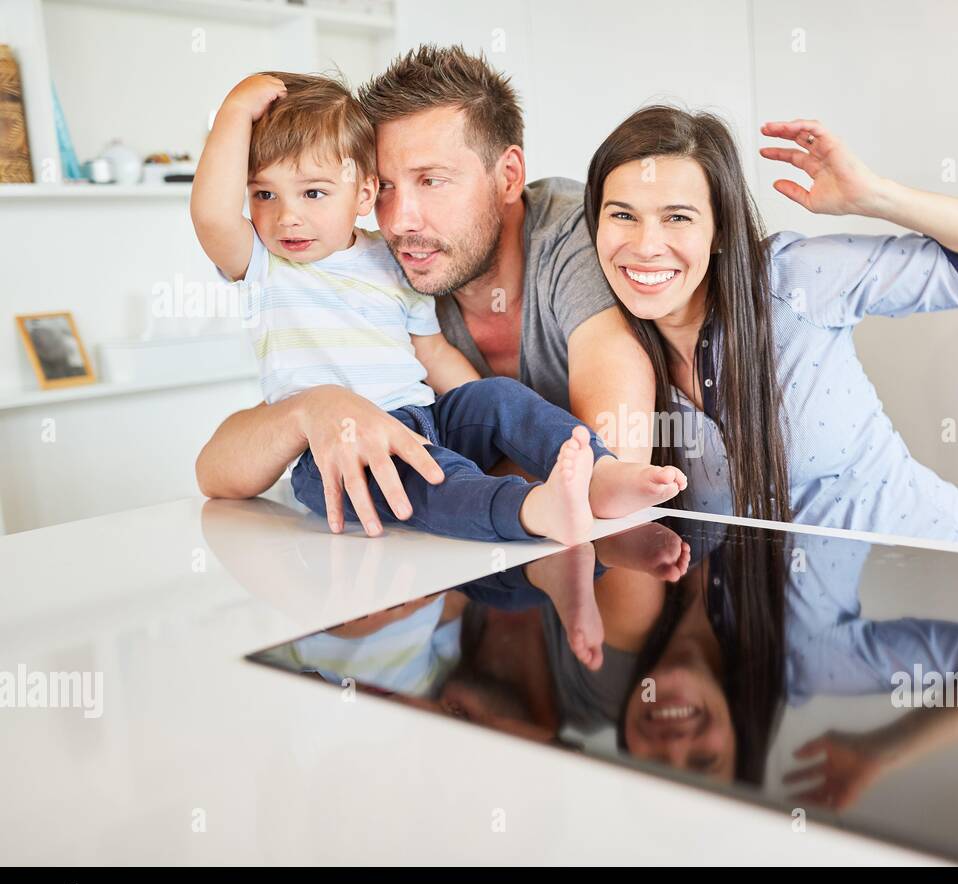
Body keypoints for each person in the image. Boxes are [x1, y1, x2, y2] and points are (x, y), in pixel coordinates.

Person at [191, 71, 684, 544]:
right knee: (430, 479)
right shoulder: (272, 264)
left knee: (499, 400)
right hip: (356, 459)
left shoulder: (388, 260)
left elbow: (434, 353)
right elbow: (212, 214)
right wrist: (233, 112)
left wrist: (491, 420)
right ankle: (529, 510)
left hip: (430, 418)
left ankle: (603, 472)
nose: (402, 220)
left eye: (432, 180)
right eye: (387, 185)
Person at [585, 106, 958, 543]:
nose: (646, 245)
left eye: (677, 217)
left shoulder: (794, 278)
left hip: (933, 568)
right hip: (789, 628)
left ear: (720, 231)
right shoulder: (607, 352)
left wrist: (875, 196)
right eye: (623, 215)